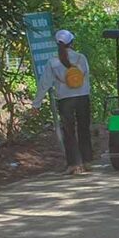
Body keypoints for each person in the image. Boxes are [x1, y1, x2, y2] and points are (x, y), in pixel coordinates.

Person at [33, 29, 93, 175]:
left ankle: (73, 164)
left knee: (69, 132)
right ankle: (87, 161)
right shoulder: (81, 58)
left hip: (65, 99)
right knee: (84, 128)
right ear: (72, 42)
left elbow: (44, 83)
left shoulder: (53, 61)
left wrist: (36, 103)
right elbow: (86, 77)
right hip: (83, 96)